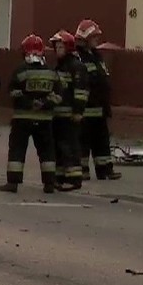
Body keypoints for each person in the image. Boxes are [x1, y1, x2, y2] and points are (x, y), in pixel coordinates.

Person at [1, 34, 62, 194]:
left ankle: (13, 183)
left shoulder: (20, 70)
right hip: (45, 119)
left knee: (17, 149)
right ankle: (49, 183)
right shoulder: (51, 72)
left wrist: (29, 103)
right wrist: (44, 104)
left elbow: (13, 92)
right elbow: (58, 95)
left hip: (22, 117)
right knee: (47, 151)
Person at [74, 19, 121, 181]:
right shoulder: (78, 57)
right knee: (83, 141)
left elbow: (102, 79)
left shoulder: (96, 55)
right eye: (94, 37)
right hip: (86, 108)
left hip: (99, 108)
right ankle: (82, 170)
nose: (97, 40)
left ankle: (105, 170)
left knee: (102, 140)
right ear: (85, 38)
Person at [50, 30, 88, 192]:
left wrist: (78, 111)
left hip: (70, 115)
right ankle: (60, 177)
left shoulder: (76, 67)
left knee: (70, 147)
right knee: (58, 147)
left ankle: (74, 178)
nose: (57, 49)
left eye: (60, 46)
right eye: (56, 47)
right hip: (58, 114)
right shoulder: (59, 66)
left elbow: (81, 92)